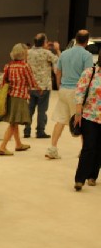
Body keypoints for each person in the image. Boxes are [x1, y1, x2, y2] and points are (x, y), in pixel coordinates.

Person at [46, 30, 94, 159]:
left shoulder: (65, 54)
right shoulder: (87, 55)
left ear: (76, 39)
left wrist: (60, 86)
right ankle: (84, 151)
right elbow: (88, 76)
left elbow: (58, 72)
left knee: (60, 120)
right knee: (81, 122)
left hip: (64, 90)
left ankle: (52, 149)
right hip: (77, 92)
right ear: (87, 40)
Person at [0, 43, 41, 156]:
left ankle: (18, 144)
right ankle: (2, 147)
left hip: (10, 96)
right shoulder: (25, 66)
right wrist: (39, 88)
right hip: (20, 97)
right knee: (13, 123)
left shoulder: (9, 66)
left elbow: (3, 82)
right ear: (23, 54)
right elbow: (31, 82)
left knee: (14, 121)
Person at [72, 58, 101, 190]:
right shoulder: (90, 72)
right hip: (89, 116)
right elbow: (80, 92)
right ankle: (79, 179)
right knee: (88, 147)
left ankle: (92, 176)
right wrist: (78, 113)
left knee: (99, 148)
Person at [24, 33, 59, 138]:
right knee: (42, 110)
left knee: (29, 109)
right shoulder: (47, 53)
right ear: (44, 42)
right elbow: (59, 61)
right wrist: (56, 49)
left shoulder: (28, 53)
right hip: (44, 87)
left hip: (30, 86)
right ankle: (40, 131)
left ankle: (27, 130)